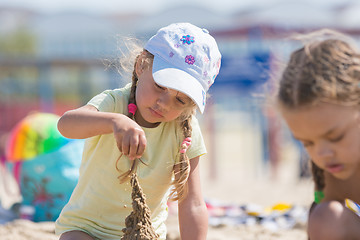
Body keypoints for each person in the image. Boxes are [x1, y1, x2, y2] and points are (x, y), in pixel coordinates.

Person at [55, 22, 221, 240]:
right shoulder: (113, 103)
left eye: (180, 99)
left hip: (144, 234)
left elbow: (193, 202)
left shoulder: (184, 129)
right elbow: (66, 125)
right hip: (86, 229)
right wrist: (115, 122)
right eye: (160, 86)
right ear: (141, 65)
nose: (164, 103)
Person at [277, 29, 360, 239]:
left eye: (335, 137)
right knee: (325, 217)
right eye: (307, 143)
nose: (322, 153)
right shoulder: (333, 169)